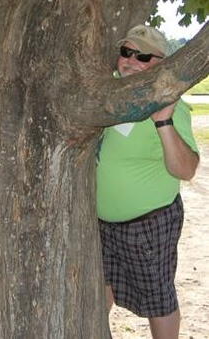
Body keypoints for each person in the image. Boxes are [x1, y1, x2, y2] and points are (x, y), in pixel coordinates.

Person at [96, 25, 199, 339]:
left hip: (147, 225)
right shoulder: (108, 96)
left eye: (142, 56)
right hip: (104, 224)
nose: (130, 61)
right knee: (102, 286)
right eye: (126, 52)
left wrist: (163, 121)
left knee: (158, 299)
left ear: (160, 65)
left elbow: (187, 169)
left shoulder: (169, 106)